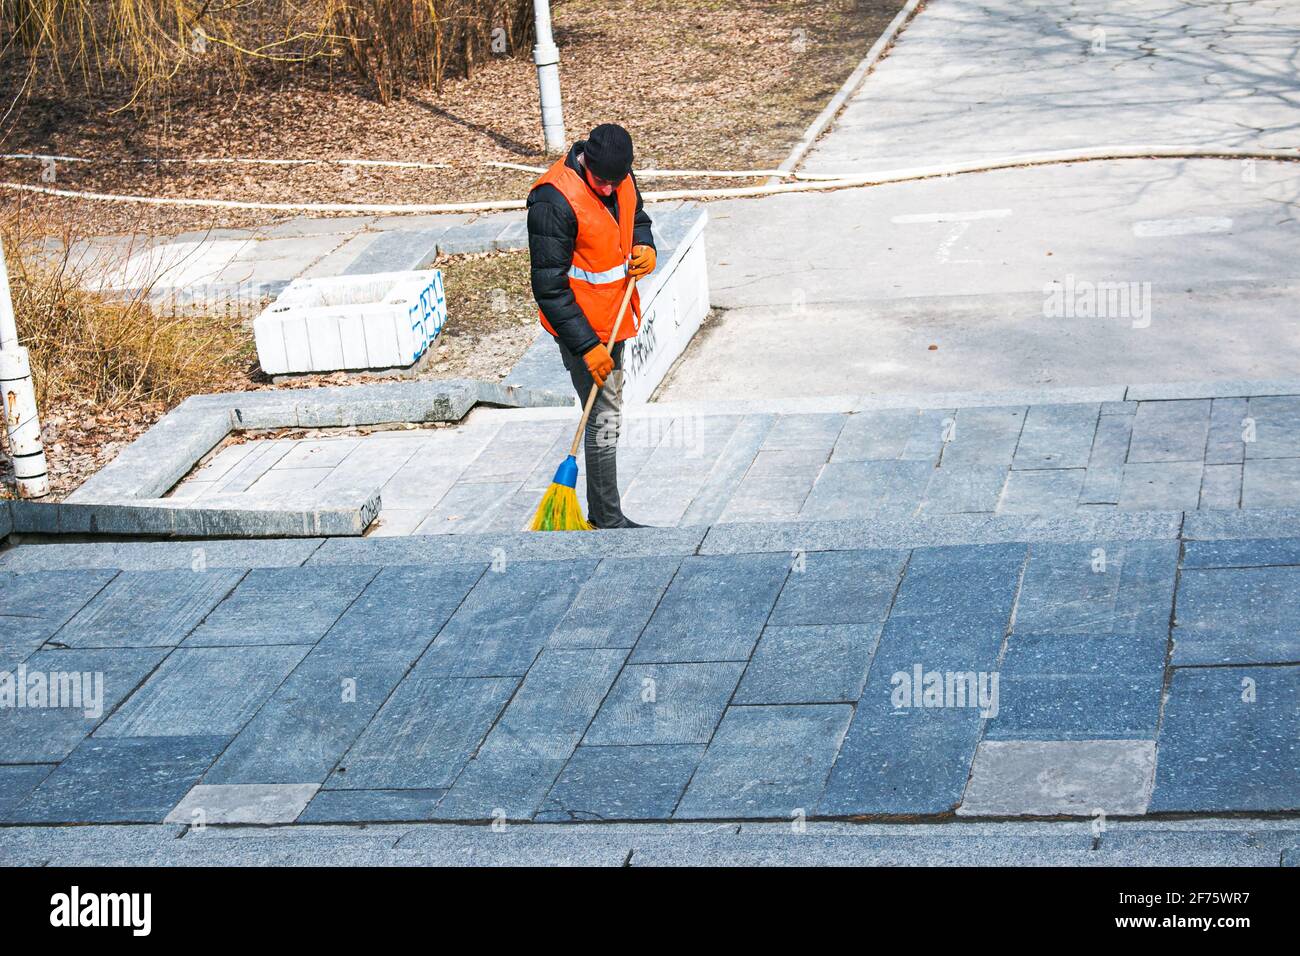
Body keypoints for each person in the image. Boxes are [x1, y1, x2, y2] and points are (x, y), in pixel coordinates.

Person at [526, 123, 656, 529]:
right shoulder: (553, 201)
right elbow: (549, 289)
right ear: (586, 161)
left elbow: (637, 218)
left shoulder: (620, 176)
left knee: (608, 414)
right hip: (579, 328)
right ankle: (608, 519)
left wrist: (645, 244)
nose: (607, 189)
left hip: (616, 317)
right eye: (601, 181)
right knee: (602, 417)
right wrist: (586, 346)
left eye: (615, 182)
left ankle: (604, 514)